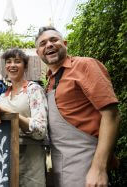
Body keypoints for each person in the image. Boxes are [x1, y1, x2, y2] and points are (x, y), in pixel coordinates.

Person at [35, 26, 120, 187]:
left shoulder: (85, 65)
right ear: (38, 52)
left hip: (86, 164)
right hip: (60, 165)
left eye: (54, 40)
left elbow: (112, 115)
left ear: (65, 43)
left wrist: (99, 168)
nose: (49, 45)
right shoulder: (50, 82)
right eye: (43, 43)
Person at [0, 48, 48, 186]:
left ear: (25, 66)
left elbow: (41, 131)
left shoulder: (34, 90)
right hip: (7, 159)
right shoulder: (2, 96)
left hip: (31, 158)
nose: (12, 65)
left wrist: (9, 113)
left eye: (17, 62)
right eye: (8, 62)